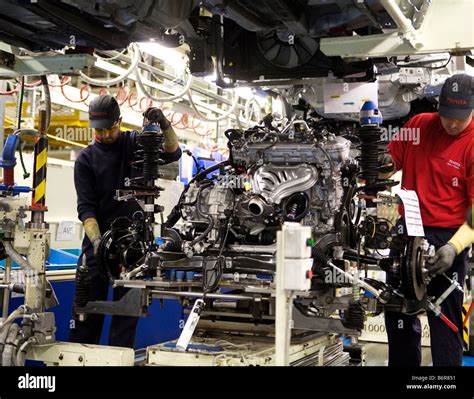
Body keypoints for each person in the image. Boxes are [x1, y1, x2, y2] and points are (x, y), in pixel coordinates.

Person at [69, 95, 181, 348]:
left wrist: (164, 123)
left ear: (119, 121)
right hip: (97, 247)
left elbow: (173, 152)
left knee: (125, 321)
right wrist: (97, 241)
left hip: (133, 248)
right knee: (85, 317)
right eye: (99, 130)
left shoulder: (134, 143)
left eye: (110, 128)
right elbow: (86, 209)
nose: (105, 134)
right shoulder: (86, 160)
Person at [385, 73, 474, 366]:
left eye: (458, 118)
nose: (451, 122)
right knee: (398, 314)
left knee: (445, 321)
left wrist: (453, 247)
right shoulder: (418, 125)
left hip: (448, 237)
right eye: (446, 114)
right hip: (407, 231)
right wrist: (374, 168)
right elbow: (390, 161)